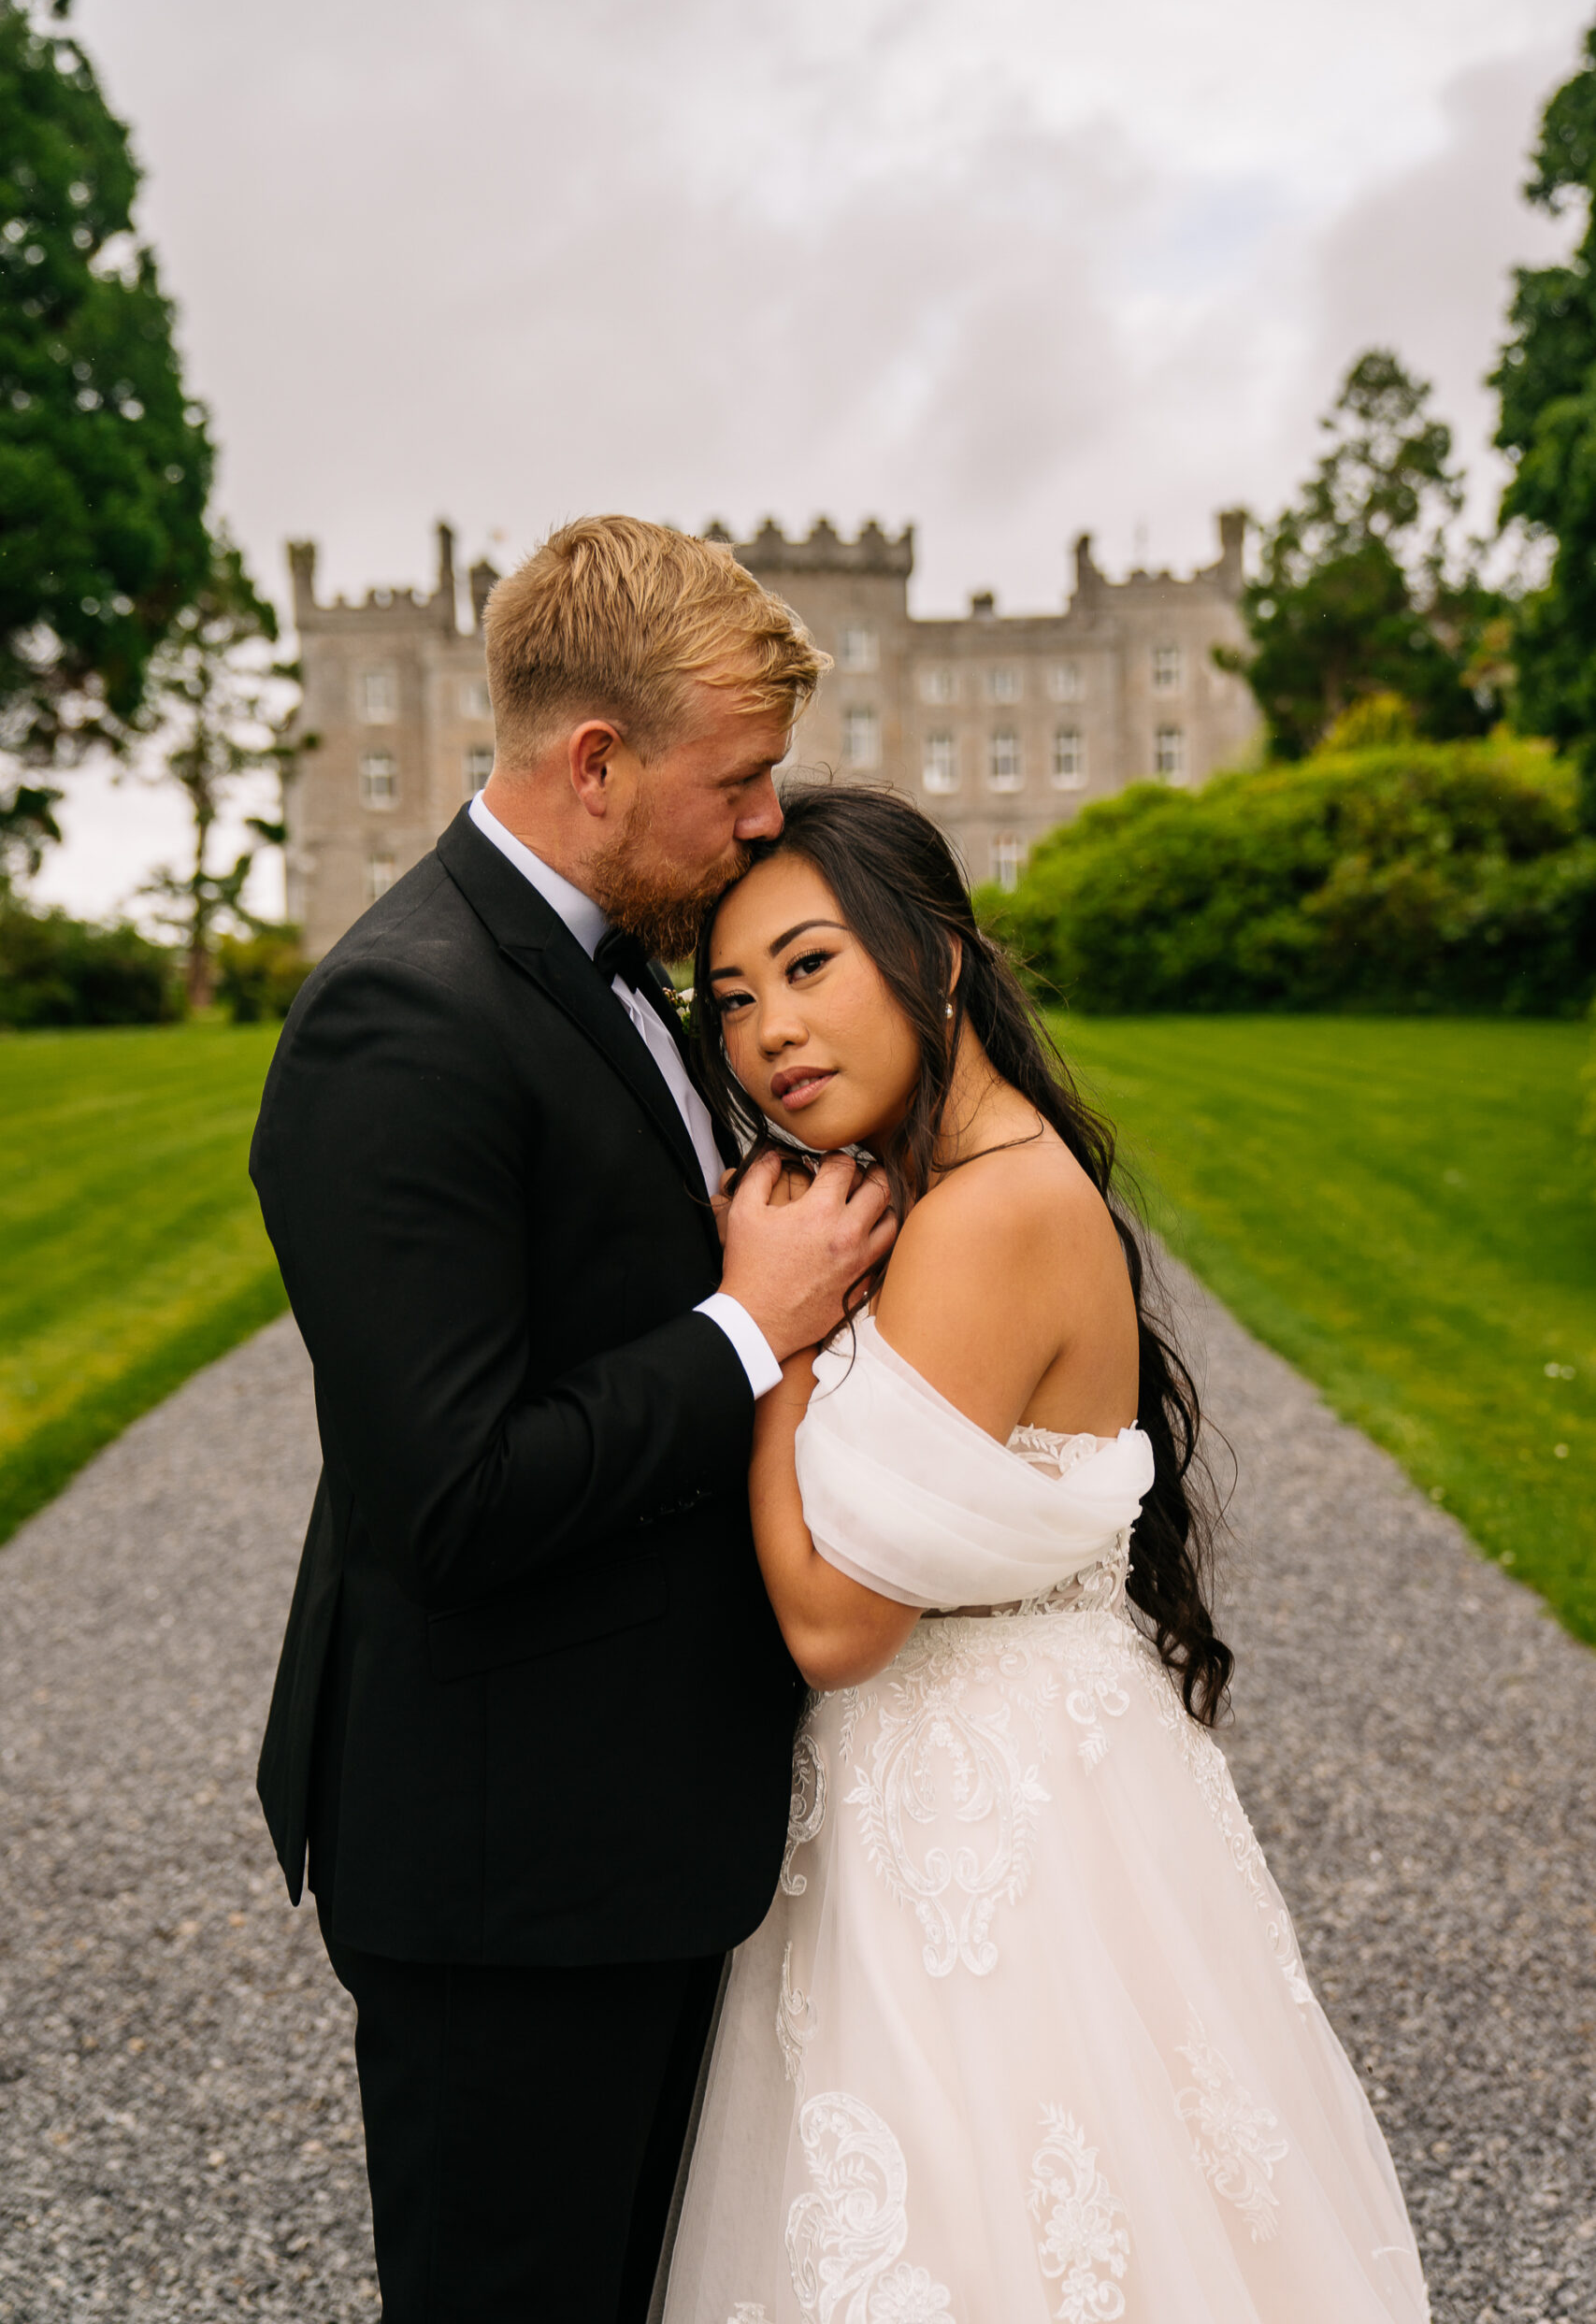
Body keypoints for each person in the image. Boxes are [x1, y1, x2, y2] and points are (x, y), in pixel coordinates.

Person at [658, 782, 1430, 2323]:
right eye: (735, 998)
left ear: (938, 957)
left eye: (812, 967)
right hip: (1005, 1786)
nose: (768, 1035)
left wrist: (775, 1334)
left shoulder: (984, 1216)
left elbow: (833, 1624)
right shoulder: (947, 1183)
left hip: (984, 1830)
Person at [250, 519, 895, 2323]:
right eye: (741, 781)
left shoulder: (626, 967)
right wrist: (743, 1326)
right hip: (505, 1869)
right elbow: (451, 1494)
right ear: (595, 763)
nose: (766, 822)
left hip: (637, 1827)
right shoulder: (402, 1020)